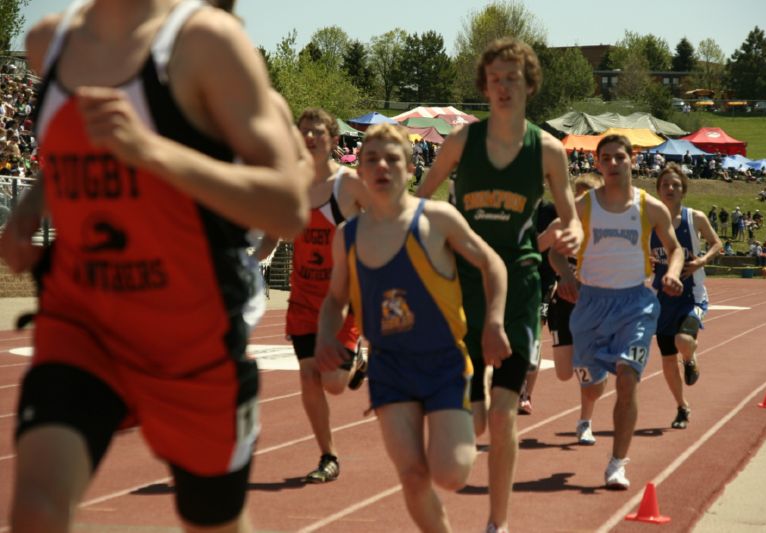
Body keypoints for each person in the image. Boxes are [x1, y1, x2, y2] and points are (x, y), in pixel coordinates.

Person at [2, 2, 312, 532]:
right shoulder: (47, 44)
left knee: (213, 522)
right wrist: (29, 213)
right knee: (35, 511)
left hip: (189, 335)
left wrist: (150, 151)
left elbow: (287, 206)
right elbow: (67, 161)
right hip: (82, 321)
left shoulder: (204, 44)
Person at [416, 38, 582, 532]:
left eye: (512, 78)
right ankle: (470, 403)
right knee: (478, 420)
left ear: (529, 83)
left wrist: (568, 236)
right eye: (494, 80)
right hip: (462, 283)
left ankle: (497, 523)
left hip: (520, 283)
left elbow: (572, 220)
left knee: (505, 416)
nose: (503, 87)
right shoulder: (461, 143)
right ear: (483, 88)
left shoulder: (548, 150)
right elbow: (420, 202)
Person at [315, 123, 511, 533]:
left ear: (410, 168)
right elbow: (335, 299)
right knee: (412, 475)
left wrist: (493, 321)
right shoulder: (346, 236)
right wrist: (324, 337)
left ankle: (482, 381)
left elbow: (492, 262)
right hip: (390, 367)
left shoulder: (437, 219)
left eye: (392, 159)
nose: (381, 166)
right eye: (371, 159)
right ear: (360, 171)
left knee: (451, 474)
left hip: (443, 363)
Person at [561, 134, 683, 490]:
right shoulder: (583, 205)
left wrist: (673, 273)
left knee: (628, 378)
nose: (613, 164)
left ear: (632, 160)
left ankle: (617, 463)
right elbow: (554, 249)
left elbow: (674, 249)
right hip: (591, 305)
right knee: (592, 385)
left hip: (636, 304)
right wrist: (567, 275)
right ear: (597, 165)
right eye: (606, 159)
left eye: (620, 157)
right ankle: (591, 398)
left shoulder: (650, 207)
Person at [255, 107, 369, 484]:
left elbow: (385, 217)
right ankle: (328, 455)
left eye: (317, 132)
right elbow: (273, 231)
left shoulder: (350, 186)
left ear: (333, 141)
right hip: (304, 298)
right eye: (303, 132)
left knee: (334, 383)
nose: (309, 138)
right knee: (308, 376)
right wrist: (253, 260)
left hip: (341, 299)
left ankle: (359, 359)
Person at [651, 164, 721, 430]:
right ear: (658, 190)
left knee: (683, 339)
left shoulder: (695, 217)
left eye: (675, 185)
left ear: (683, 190)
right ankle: (682, 406)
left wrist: (701, 260)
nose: (670, 189)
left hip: (692, 296)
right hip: (661, 299)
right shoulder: (649, 222)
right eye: (665, 185)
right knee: (668, 360)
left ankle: (690, 359)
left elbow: (717, 243)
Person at [543, 173, 605, 445]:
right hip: (563, 304)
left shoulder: (605, 229)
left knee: (585, 367)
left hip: (592, 307)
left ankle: (585, 422)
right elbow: (552, 254)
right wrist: (566, 275)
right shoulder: (567, 225)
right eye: (576, 194)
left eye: (586, 194)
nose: (580, 199)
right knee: (563, 372)